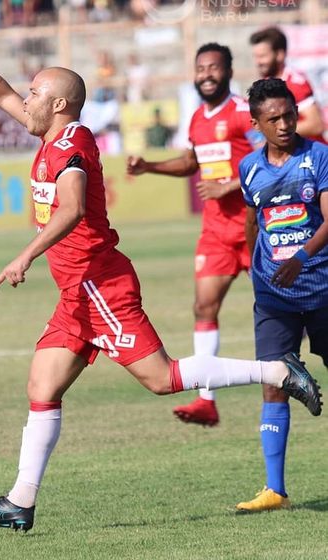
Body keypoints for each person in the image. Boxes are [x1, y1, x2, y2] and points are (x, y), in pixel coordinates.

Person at [0, 20, 322, 532]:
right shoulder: (49, 131)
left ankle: (277, 372)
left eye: (35, 94)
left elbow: (69, 209)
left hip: (99, 284)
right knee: (41, 386)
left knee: (162, 378)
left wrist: (25, 255)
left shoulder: (75, 145)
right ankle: (20, 502)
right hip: (76, 291)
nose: (24, 101)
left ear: (59, 105)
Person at [127, 44, 264, 427]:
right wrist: (149, 166)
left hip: (255, 227)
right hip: (217, 233)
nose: (206, 74)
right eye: (200, 67)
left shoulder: (242, 113)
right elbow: (191, 162)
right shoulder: (198, 119)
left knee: (281, 308)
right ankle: (207, 400)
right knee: (204, 307)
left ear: (229, 71)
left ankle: (287, 370)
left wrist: (230, 186)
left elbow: (270, 157)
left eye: (214, 67)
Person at [235, 78, 328, 512]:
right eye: (273, 119)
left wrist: (302, 256)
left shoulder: (319, 157)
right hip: (274, 296)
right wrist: (255, 267)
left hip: (322, 288)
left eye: (289, 115)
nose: (285, 124)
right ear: (257, 123)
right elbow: (253, 222)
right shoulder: (250, 169)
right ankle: (275, 490)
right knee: (273, 382)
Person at [249, 27, 325, 144]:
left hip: (311, 157)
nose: (258, 62)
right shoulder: (265, 83)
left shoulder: (295, 83)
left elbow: (316, 124)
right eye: (256, 57)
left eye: (262, 56)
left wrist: (272, 132)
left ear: (279, 54)